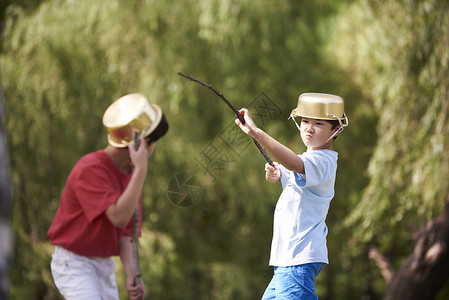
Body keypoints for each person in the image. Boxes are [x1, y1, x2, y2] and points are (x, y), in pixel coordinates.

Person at [48, 93, 169, 300]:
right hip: (74, 263)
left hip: (103, 266)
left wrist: (132, 273)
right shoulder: (91, 168)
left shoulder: (129, 176)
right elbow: (118, 216)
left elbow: (125, 232)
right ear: (142, 143)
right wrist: (141, 170)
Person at [235, 93, 348, 299]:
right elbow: (288, 171)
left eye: (319, 123)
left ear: (337, 129)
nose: (309, 128)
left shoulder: (323, 162)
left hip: (298, 258)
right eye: (305, 121)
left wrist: (257, 133)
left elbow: (293, 163)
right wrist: (276, 174)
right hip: (288, 259)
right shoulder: (309, 161)